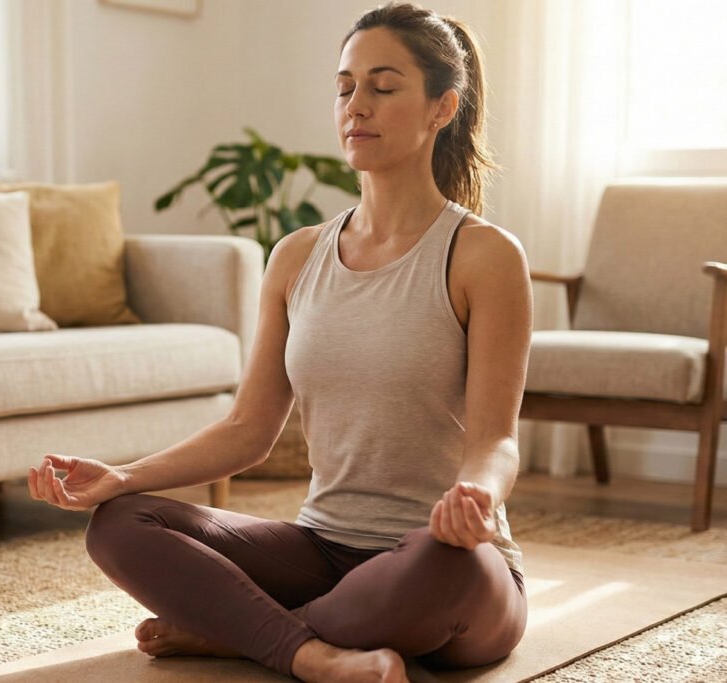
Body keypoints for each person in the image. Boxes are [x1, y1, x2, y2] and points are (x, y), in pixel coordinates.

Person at [28, 3, 531, 681]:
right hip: (321, 548)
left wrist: (475, 496)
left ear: (442, 108)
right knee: (119, 523)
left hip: (441, 558)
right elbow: (248, 428)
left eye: (383, 87)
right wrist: (121, 476)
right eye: (345, 87)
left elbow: (496, 439)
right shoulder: (296, 256)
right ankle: (309, 648)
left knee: (445, 571)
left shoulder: (485, 256)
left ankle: (243, 631)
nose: (358, 106)